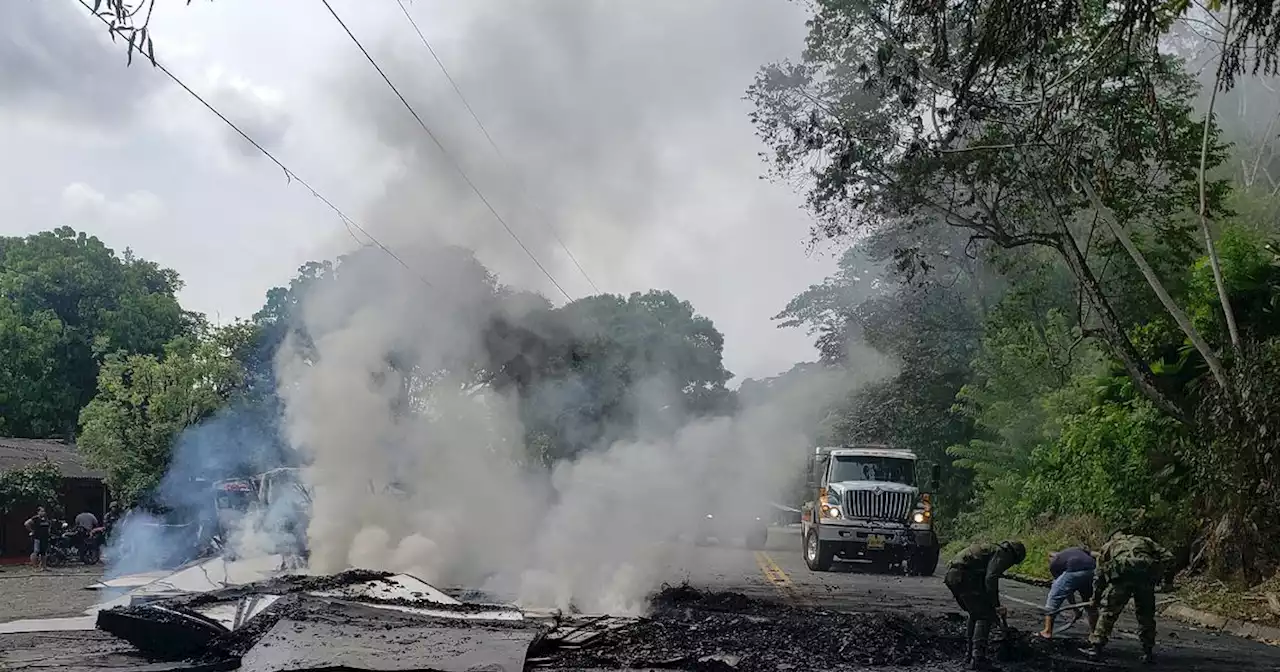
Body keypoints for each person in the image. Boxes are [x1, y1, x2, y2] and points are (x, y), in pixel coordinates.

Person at [1081, 531, 1174, 663]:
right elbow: (1169, 557)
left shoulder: (1109, 546)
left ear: (1113, 537)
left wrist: (1095, 599)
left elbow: (1099, 575)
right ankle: (1148, 652)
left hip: (1121, 580)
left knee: (1108, 613)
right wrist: (1164, 577)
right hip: (1144, 580)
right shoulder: (1145, 540)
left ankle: (1096, 648)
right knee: (1146, 616)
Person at [944, 539, 1026, 670]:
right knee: (985, 616)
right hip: (963, 575)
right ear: (1014, 555)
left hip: (954, 575)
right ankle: (978, 658)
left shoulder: (991, 549)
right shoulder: (1003, 554)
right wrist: (996, 605)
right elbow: (991, 578)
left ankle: (970, 653)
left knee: (975, 613)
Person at [1039, 545, 1098, 638]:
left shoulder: (1054, 564)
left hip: (1074, 568)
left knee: (1054, 596)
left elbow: (1065, 591)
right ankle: (1094, 633)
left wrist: (1075, 610)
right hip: (1092, 569)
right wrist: (1076, 610)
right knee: (1089, 601)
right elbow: (1094, 554)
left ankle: (1047, 631)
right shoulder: (1075, 550)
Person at [24, 506, 52, 571]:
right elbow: (26, 523)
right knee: (36, 551)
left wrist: (49, 531)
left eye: (44, 511)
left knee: (44, 552)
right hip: (37, 538)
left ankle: (44, 567)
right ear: (38, 512)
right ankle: (35, 567)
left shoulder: (46, 519)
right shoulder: (35, 518)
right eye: (41, 511)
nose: (43, 512)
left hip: (44, 538)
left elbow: (49, 525)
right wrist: (32, 531)